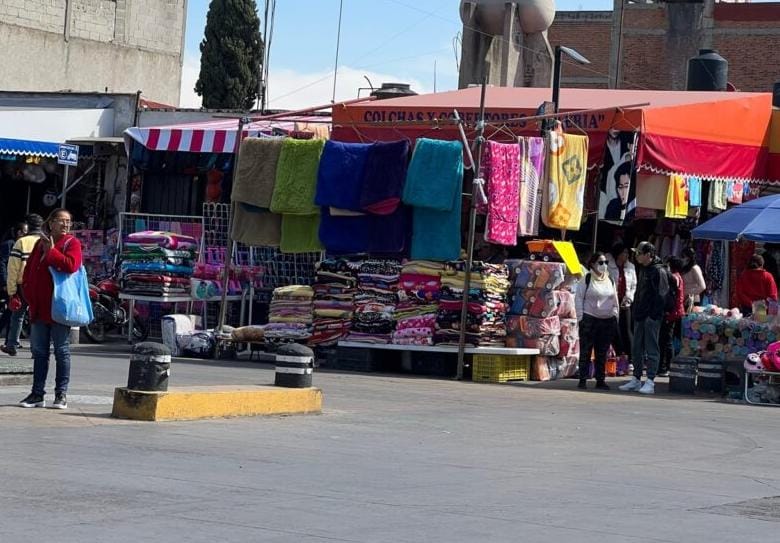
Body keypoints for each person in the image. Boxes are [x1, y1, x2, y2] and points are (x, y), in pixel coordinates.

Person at [18, 209, 83, 409]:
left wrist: (52, 252)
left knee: (61, 351)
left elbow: (71, 265)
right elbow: (30, 270)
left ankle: (60, 394)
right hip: (39, 308)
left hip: (59, 307)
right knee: (39, 352)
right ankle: (37, 394)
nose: (65, 225)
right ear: (51, 222)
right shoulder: (40, 242)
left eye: (68, 221)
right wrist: (27, 291)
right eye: (61, 221)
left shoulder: (72, 243)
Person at [619, 241, 671, 395]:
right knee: (636, 347)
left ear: (648, 254)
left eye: (639, 253)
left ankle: (650, 380)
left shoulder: (658, 271)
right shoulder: (644, 269)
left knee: (651, 347)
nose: (636, 256)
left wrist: (653, 315)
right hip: (641, 314)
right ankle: (636, 378)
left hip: (651, 316)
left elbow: (662, 295)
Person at [575, 252, 619, 390]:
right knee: (586, 351)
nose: (604, 265)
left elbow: (615, 299)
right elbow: (578, 298)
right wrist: (580, 317)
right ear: (592, 264)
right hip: (589, 319)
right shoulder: (586, 279)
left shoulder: (610, 279)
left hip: (607, 321)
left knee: (602, 352)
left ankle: (600, 380)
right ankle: (583, 379)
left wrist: (615, 315)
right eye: (600, 263)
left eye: (605, 262)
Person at [3, 214, 43, 356]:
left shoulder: (21, 242)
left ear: (28, 226)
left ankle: (12, 344)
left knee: (17, 316)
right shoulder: (47, 241)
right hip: (42, 286)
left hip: (23, 286)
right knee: (37, 318)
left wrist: (11, 291)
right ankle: (36, 349)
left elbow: (13, 268)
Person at [607, 241, 637, 362]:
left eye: (627, 253)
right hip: (611, 301)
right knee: (614, 328)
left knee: (627, 329)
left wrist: (629, 298)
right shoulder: (608, 265)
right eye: (624, 252)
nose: (626, 255)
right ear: (618, 254)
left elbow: (633, 285)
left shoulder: (631, 267)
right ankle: (618, 353)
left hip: (625, 301)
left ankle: (631, 357)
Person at [658, 257, 685, 377]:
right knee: (668, 339)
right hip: (676, 311)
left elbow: (670, 295)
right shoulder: (678, 276)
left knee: (667, 340)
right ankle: (666, 365)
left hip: (672, 312)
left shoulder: (674, 277)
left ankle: (666, 366)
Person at [0, 222, 28, 335]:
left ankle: (10, 340)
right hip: (6, 283)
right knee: (12, 310)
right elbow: (2, 263)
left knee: (13, 310)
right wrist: (4, 283)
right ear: (19, 232)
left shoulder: (21, 245)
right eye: (25, 232)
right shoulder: (9, 244)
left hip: (14, 282)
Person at [680, 247, 706, 312]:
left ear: (689, 257)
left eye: (684, 256)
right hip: (684, 299)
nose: (682, 259)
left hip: (692, 300)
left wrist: (688, 294)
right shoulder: (685, 268)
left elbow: (702, 286)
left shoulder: (694, 268)